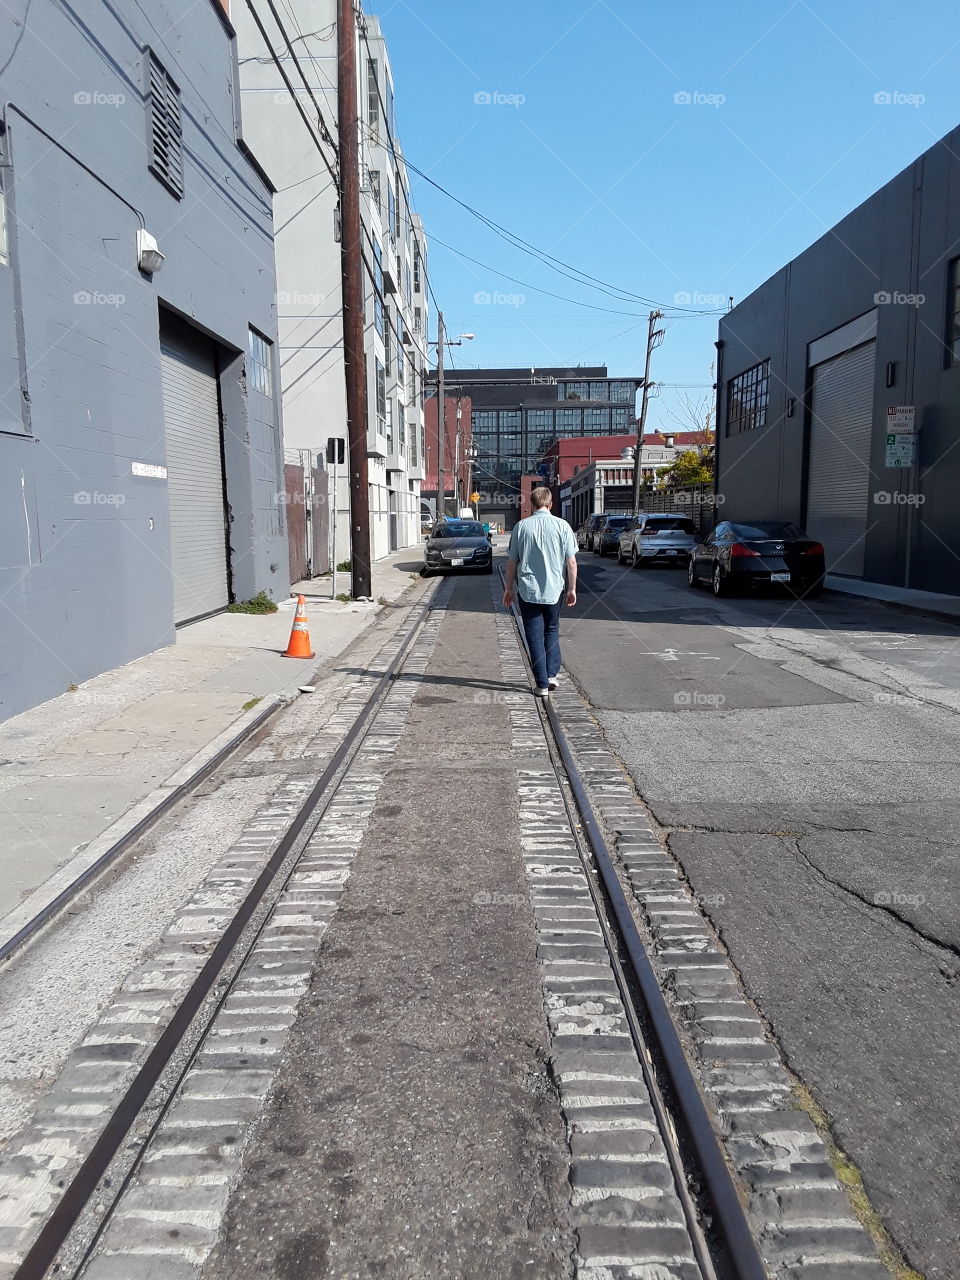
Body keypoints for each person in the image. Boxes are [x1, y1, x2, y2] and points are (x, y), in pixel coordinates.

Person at [502, 487, 578, 697]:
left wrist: (509, 588)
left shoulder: (521, 527)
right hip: (555, 589)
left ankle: (542, 683)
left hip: (528, 590)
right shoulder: (563, 526)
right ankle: (552, 674)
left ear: (532, 505)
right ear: (551, 504)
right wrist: (571, 589)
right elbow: (571, 561)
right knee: (551, 630)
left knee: (534, 636)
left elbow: (511, 561)